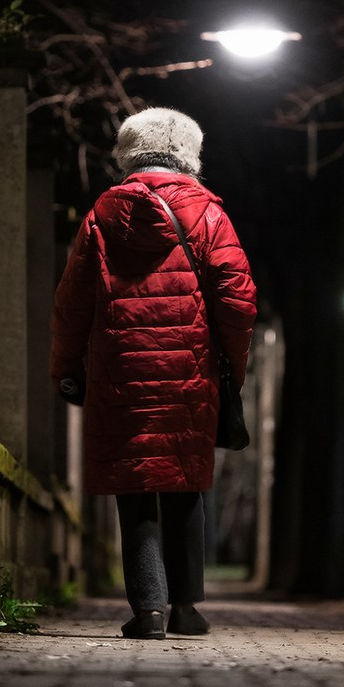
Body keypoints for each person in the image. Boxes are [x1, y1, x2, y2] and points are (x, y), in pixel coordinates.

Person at [50, 106, 257, 639]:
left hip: (120, 369)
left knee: (134, 483)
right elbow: (237, 300)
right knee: (185, 482)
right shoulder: (208, 215)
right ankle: (186, 607)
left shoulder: (101, 216)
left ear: (128, 154)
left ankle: (149, 611)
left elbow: (72, 302)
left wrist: (67, 368)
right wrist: (234, 368)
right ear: (189, 155)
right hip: (189, 371)